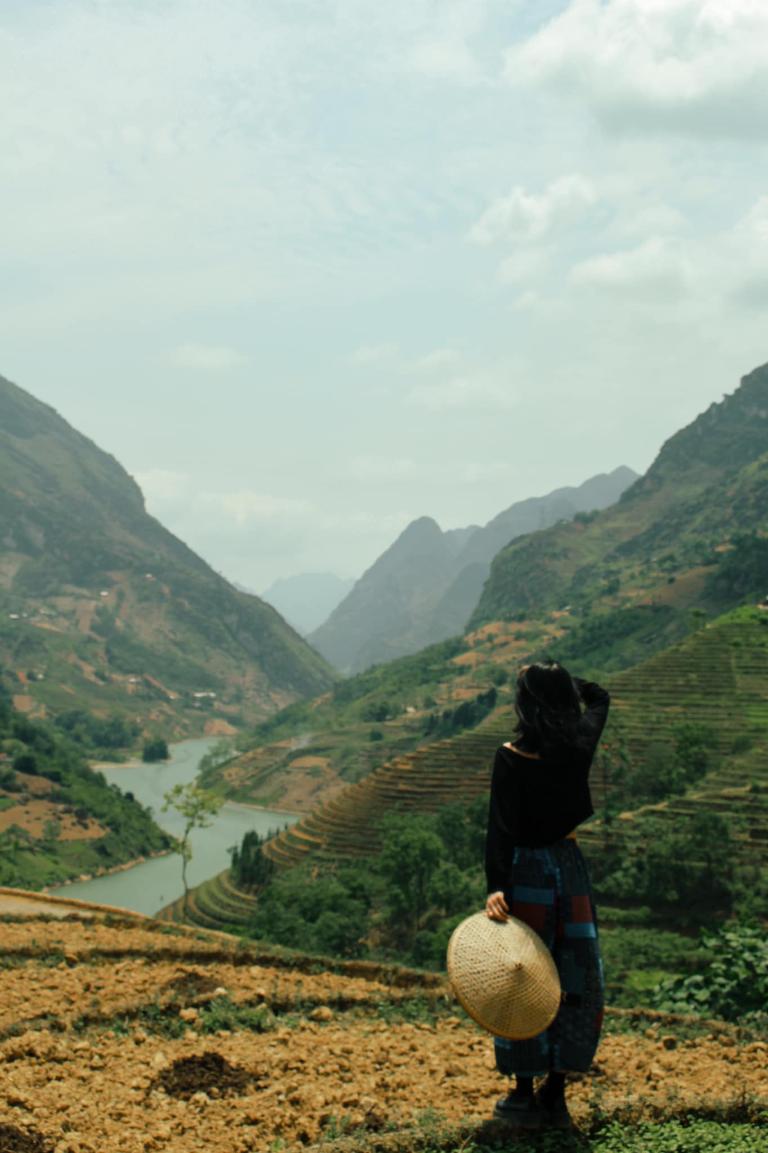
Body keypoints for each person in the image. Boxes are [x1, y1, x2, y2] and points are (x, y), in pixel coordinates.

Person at [484, 660, 610, 1129]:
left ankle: (521, 1095)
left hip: (528, 874)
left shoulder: (511, 756)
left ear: (524, 703)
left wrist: (496, 886)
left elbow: (500, 830)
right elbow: (601, 698)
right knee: (573, 973)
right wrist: (564, 683)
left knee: (524, 977)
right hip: (570, 870)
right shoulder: (579, 744)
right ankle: (555, 1094)